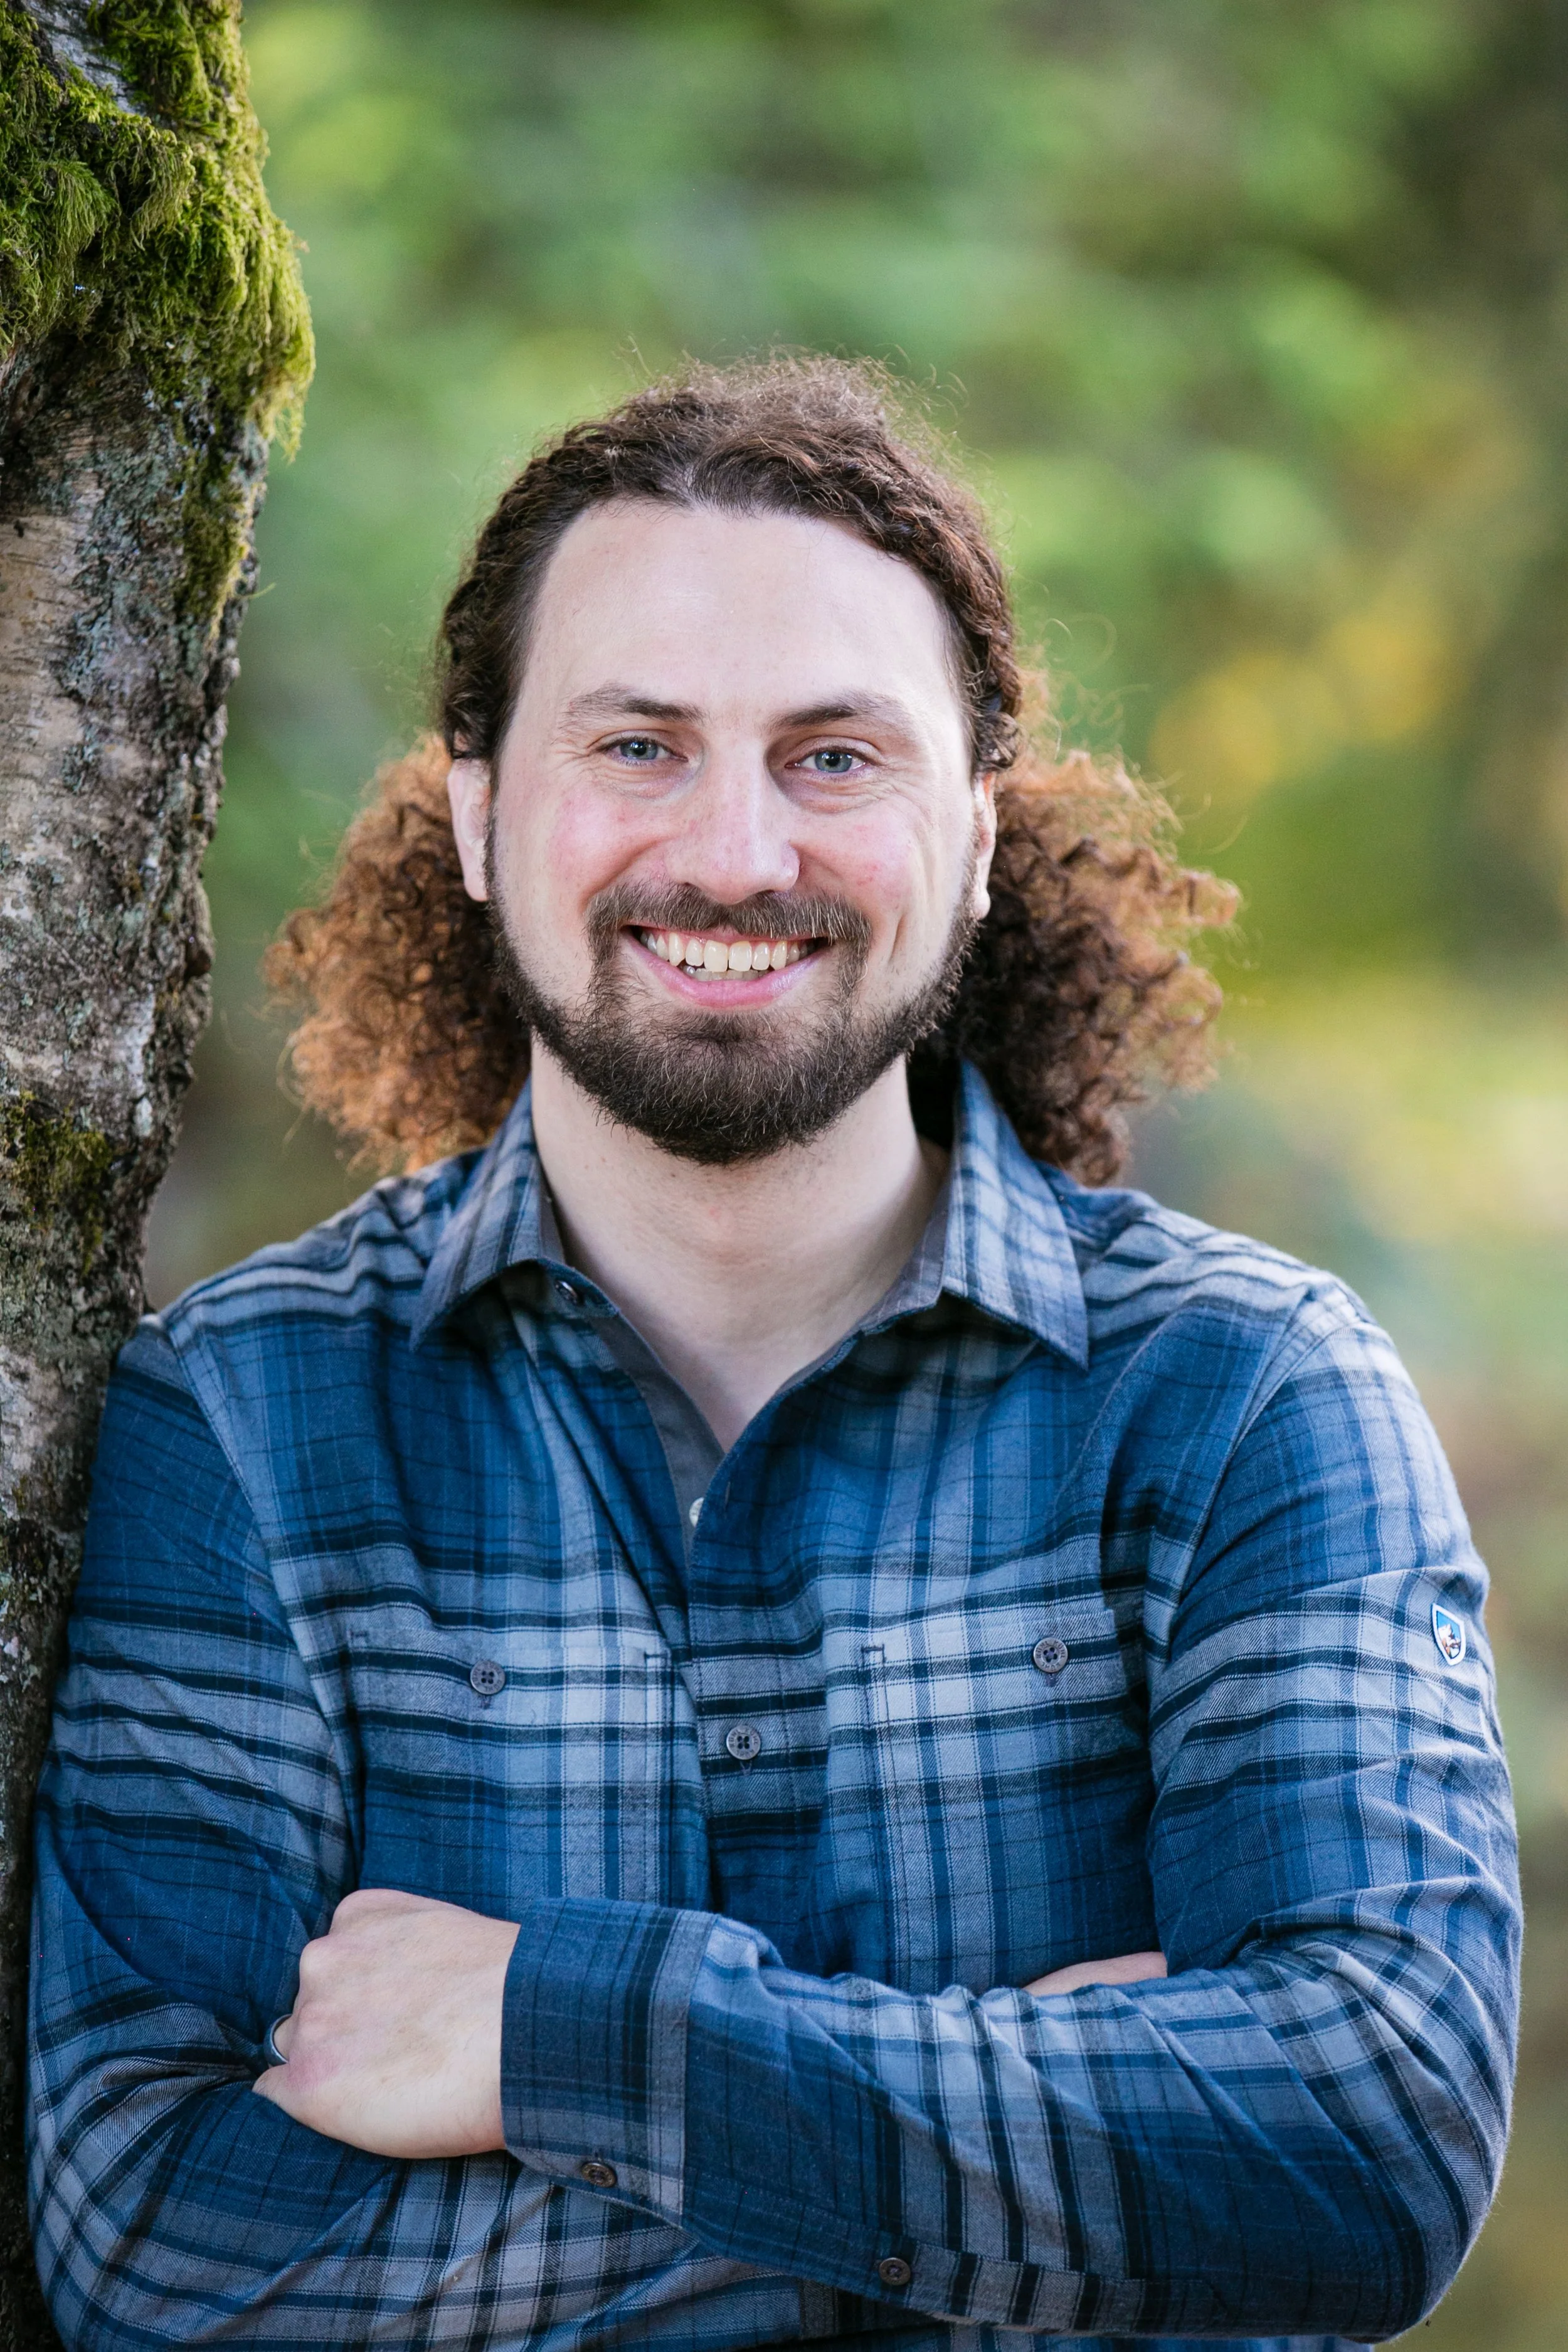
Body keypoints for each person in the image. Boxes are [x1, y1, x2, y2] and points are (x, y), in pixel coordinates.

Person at [28, 358, 1519, 2352]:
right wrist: (1060, 2167)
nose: (733, 853)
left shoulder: (1249, 1394)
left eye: (834, 757)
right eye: (636, 744)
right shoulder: (245, 1424)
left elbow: (1363, 2142)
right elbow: (153, 2252)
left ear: (975, 836)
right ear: (476, 810)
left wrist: (549, 2032)